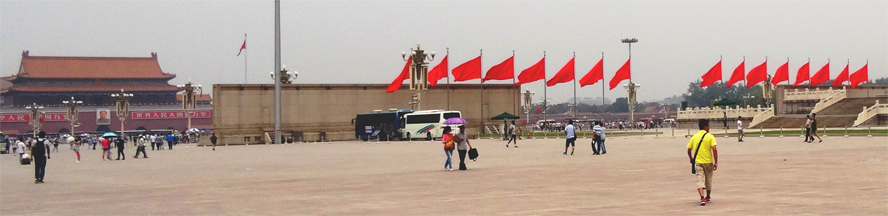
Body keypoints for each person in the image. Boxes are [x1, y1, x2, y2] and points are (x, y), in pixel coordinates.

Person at [687, 119, 718, 206]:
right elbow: (714, 150)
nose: (709, 128)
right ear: (705, 126)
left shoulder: (694, 137)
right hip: (708, 162)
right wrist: (716, 162)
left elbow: (689, 150)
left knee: (699, 179)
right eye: (708, 126)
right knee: (708, 180)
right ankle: (708, 196)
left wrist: (691, 158)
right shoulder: (710, 137)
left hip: (698, 162)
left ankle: (702, 197)